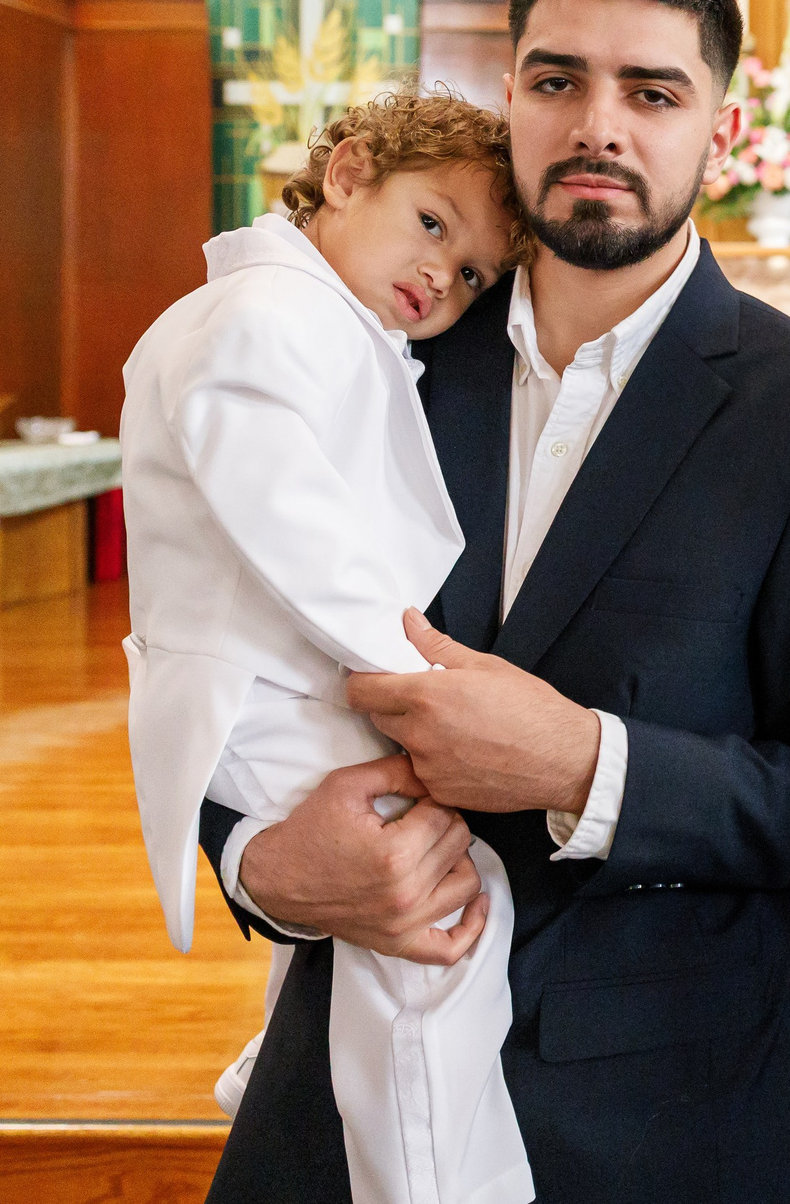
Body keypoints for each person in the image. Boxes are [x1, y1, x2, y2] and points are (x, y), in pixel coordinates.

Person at [193, 0, 790, 1204]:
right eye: (558, 80)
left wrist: (587, 766)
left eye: (651, 91)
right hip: (345, 1099)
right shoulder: (378, 349)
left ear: (719, 123)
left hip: (652, 1116)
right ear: (511, 99)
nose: (600, 124)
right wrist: (262, 863)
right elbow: (217, 659)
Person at [121, 93, 530, 1204]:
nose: (446, 280)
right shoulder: (263, 314)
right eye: (434, 225)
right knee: (438, 920)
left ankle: (285, 1064)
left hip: (298, 684)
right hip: (269, 688)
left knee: (381, 918)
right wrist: (418, 667)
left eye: (477, 276)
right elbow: (285, 511)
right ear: (347, 173)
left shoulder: (327, 317)